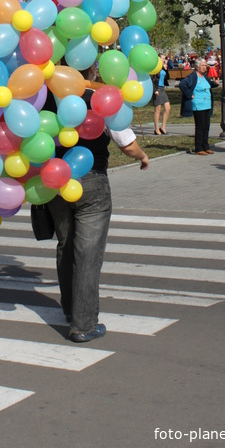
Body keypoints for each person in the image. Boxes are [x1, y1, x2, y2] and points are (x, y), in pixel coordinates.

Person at [47, 65, 149, 343]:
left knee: (66, 245)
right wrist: (142, 157)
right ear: (92, 67)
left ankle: (69, 310)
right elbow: (125, 142)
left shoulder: (44, 93)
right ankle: (83, 324)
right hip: (91, 181)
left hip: (54, 179)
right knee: (87, 255)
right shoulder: (99, 97)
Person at [179, 57, 219, 155]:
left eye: (205, 65)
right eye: (202, 65)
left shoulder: (204, 76)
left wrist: (215, 84)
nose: (204, 67)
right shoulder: (192, 77)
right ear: (197, 67)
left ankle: (206, 146)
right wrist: (189, 94)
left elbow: (208, 84)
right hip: (198, 105)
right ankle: (198, 148)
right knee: (200, 126)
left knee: (206, 126)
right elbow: (182, 84)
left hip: (207, 105)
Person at [151, 55, 171, 135]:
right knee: (158, 109)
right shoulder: (155, 68)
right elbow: (152, 79)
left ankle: (163, 127)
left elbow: (167, 78)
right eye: (162, 58)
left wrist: (166, 69)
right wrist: (155, 90)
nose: (164, 60)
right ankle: (156, 129)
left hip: (162, 89)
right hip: (157, 88)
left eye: (164, 58)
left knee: (168, 108)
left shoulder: (162, 68)